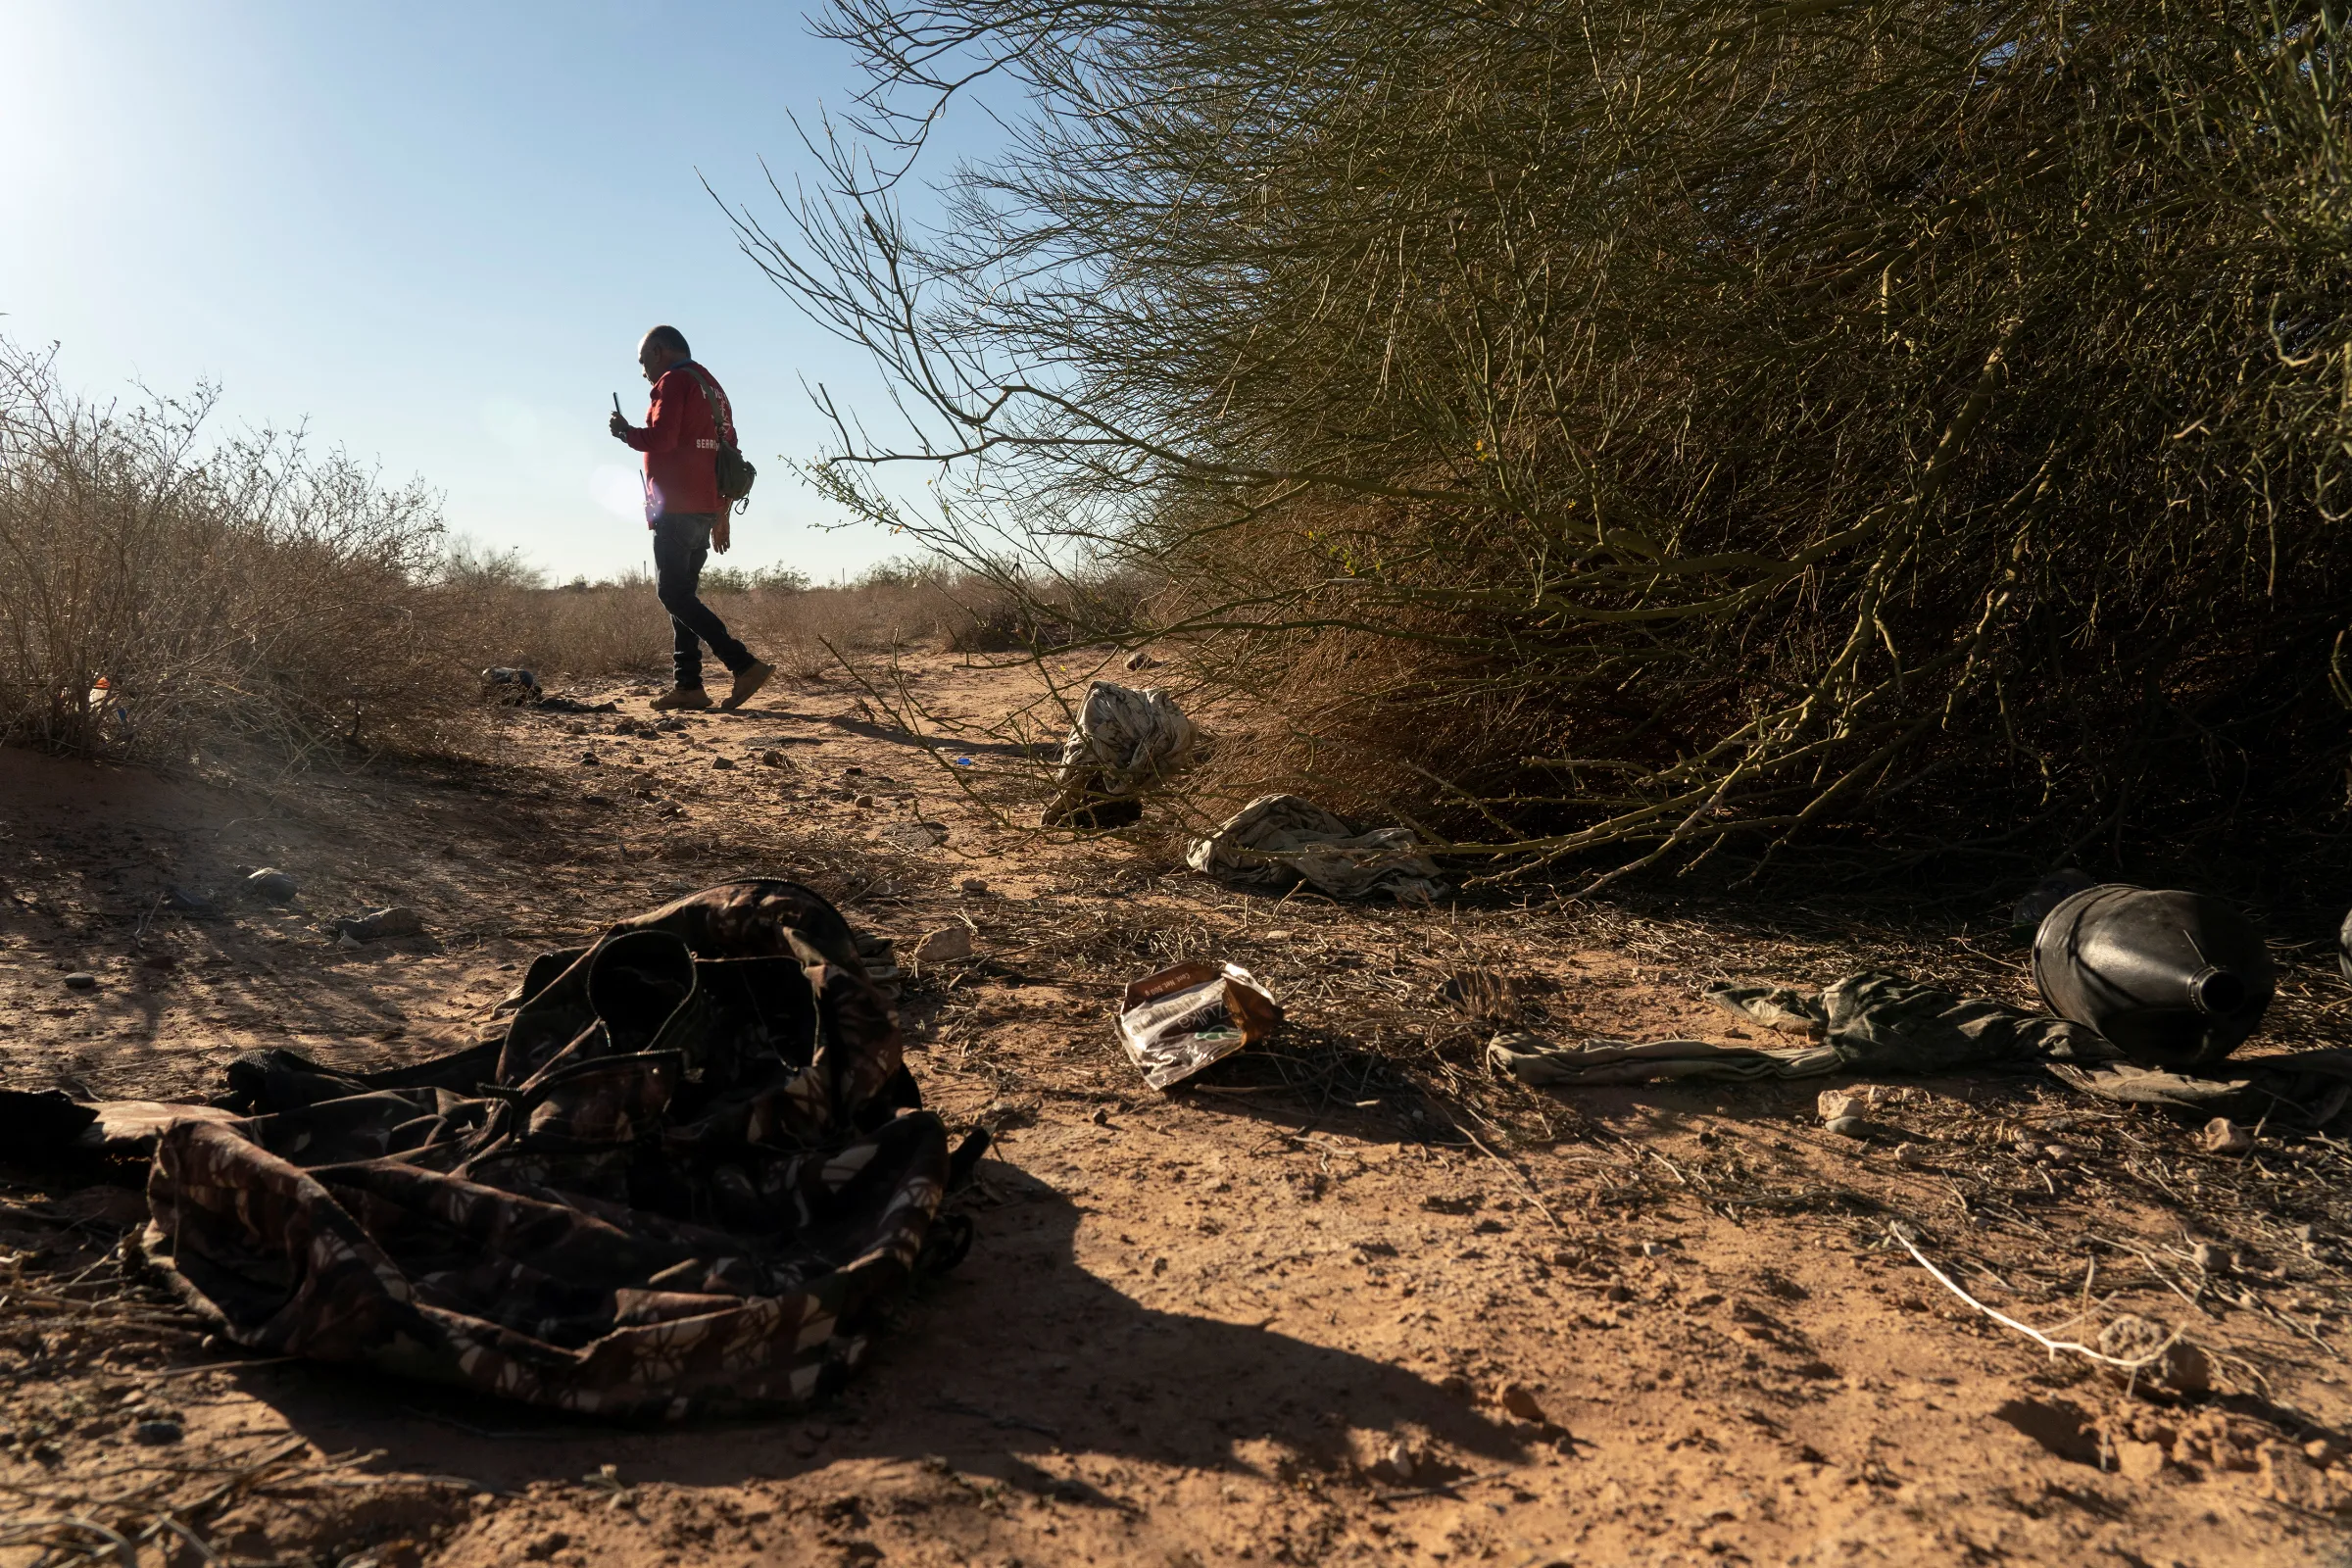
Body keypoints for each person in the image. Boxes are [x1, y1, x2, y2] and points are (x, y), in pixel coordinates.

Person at [608, 324, 775, 711]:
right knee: (683, 597)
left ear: (658, 352)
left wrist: (625, 433)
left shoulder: (673, 382)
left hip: (678, 506)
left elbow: (662, 439)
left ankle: (743, 664)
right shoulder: (712, 386)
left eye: (642, 361)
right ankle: (689, 687)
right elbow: (727, 450)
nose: (643, 372)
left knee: (672, 594)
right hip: (704, 506)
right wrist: (722, 513)